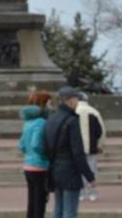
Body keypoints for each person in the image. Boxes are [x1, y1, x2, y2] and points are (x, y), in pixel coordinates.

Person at [44, 86, 96, 218]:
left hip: (55, 169)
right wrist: (89, 176)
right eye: (76, 99)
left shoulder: (51, 119)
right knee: (70, 212)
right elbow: (77, 152)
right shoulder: (72, 121)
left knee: (58, 210)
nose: (77, 102)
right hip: (70, 171)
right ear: (69, 101)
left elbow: (46, 146)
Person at [19, 91, 52, 218]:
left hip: (28, 165)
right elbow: (36, 144)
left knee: (32, 202)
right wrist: (46, 156)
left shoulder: (28, 122)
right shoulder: (41, 122)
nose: (51, 106)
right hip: (40, 166)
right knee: (40, 203)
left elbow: (21, 145)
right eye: (49, 103)